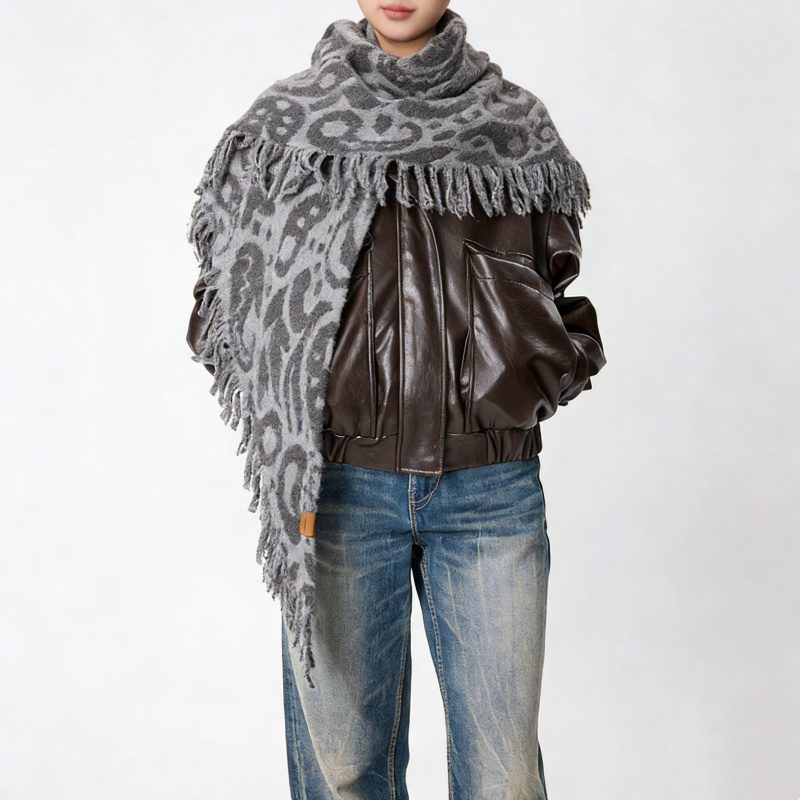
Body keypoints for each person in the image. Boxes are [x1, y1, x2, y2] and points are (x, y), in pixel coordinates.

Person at [187, 2, 606, 798]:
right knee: (345, 776)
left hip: (490, 492)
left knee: (504, 778)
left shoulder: (511, 125)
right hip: (338, 492)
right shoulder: (287, 129)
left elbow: (559, 293)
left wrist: (534, 372)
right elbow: (223, 308)